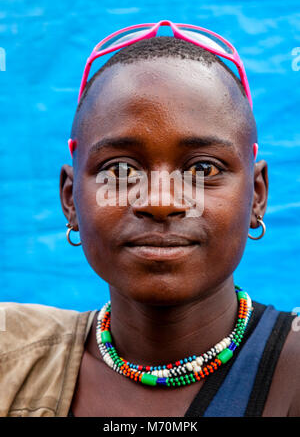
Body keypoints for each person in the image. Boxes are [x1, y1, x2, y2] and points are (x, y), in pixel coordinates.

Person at [0, 21, 299, 418]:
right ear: (71, 199)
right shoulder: (14, 358)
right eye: (121, 169)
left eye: (204, 169)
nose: (160, 201)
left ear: (257, 195)